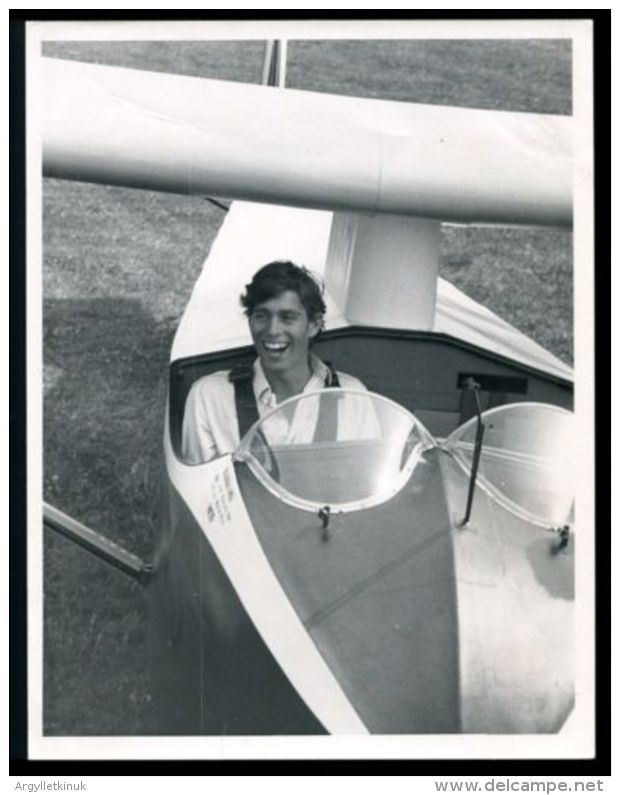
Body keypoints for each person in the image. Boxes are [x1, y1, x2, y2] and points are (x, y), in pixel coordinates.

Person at [181, 260, 374, 464]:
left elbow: (370, 486)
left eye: (287, 318)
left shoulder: (353, 397)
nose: (272, 330)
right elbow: (198, 490)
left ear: (314, 325)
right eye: (261, 316)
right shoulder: (209, 397)